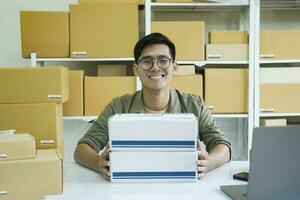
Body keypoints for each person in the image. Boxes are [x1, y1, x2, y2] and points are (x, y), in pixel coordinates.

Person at [74, 32, 231, 181]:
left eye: (163, 60)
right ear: (136, 69)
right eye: (147, 61)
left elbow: (222, 145)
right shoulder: (119, 106)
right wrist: (98, 163)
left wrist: (209, 162)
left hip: (181, 184)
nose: (155, 67)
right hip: (131, 184)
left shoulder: (194, 105)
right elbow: (82, 149)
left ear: (174, 67)